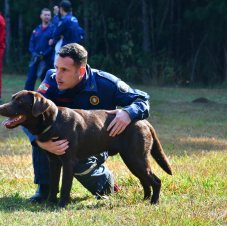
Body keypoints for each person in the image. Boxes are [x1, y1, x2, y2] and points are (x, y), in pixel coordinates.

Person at [24, 43, 150, 203]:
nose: (57, 75)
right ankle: (44, 189)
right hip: (60, 139)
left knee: (78, 161)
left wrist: (128, 113)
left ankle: (106, 183)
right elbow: (29, 113)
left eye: (64, 70)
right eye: (56, 68)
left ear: (81, 71)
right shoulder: (51, 80)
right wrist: (39, 142)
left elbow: (142, 99)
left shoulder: (105, 83)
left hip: (96, 142)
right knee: (43, 136)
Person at [24, 8, 55, 91]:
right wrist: (34, 54)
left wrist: (44, 55)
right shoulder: (36, 29)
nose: (47, 17)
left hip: (46, 60)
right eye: (45, 15)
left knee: (46, 80)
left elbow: (53, 46)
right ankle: (27, 97)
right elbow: (31, 43)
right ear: (41, 16)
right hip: (35, 59)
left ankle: (45, 97)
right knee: (30, 78)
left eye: (48, 15)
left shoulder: (53, 29)